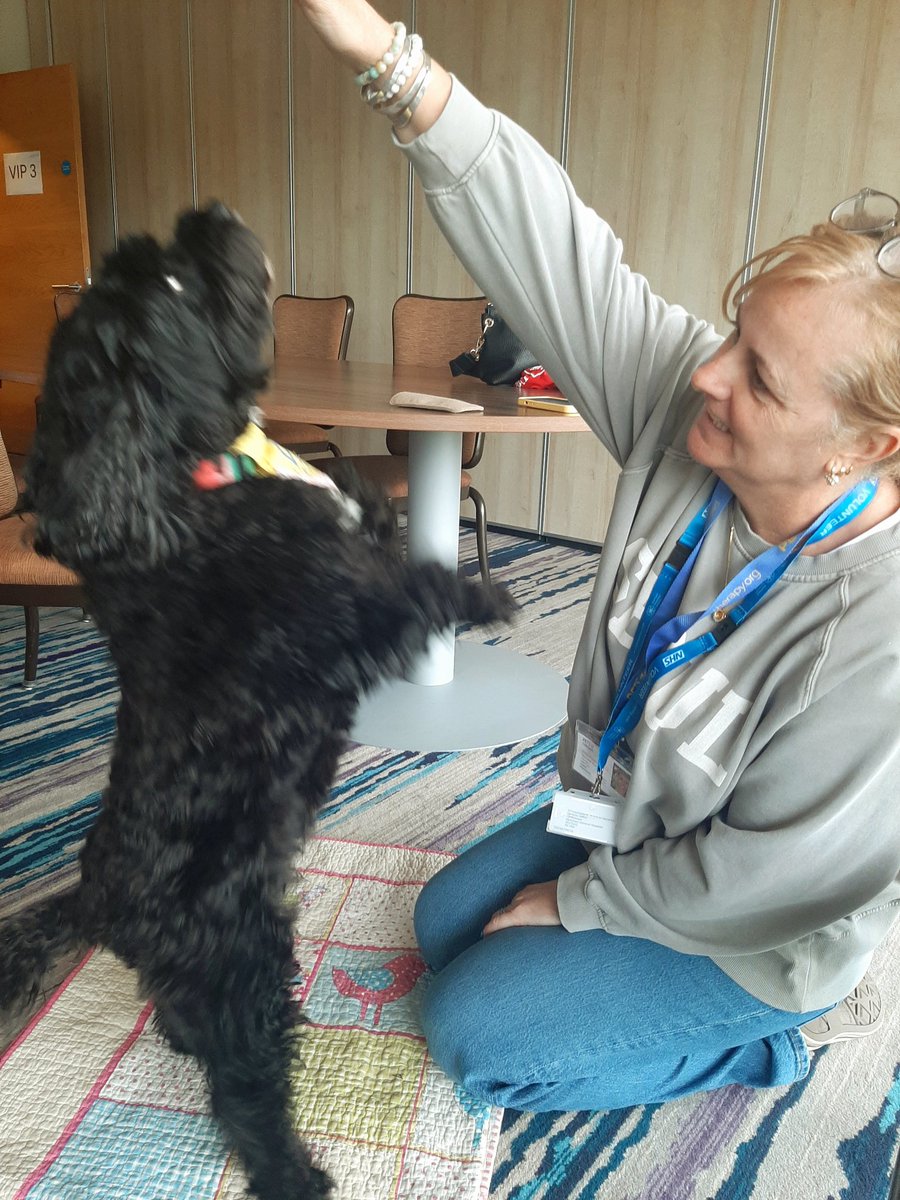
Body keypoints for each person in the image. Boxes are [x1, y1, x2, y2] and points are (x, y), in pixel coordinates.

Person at [294, 0, 900, 1111]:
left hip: (761, 926)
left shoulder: (878, 630)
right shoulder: (689, 410)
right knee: (445, 925)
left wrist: (585, 907)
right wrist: (383, 55)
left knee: (470, 1028)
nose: (708, 378)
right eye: (732, 335)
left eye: (760, 380)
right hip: (632, 818)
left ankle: (793, 1034)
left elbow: (763, 875)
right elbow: (549, 242)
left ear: (867, 447)